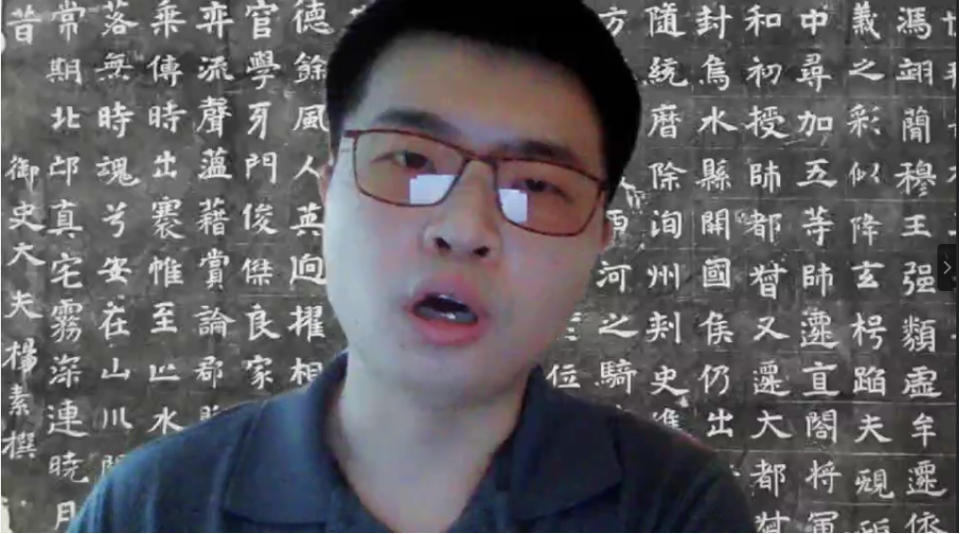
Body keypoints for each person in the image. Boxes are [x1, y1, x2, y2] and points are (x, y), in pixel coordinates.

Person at [69, 0, 756, 531]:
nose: (465, 229)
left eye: (536, 185)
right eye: (412, 160)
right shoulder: (156, 504)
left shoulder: (671, 506)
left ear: (599, 236)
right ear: (328, 189)